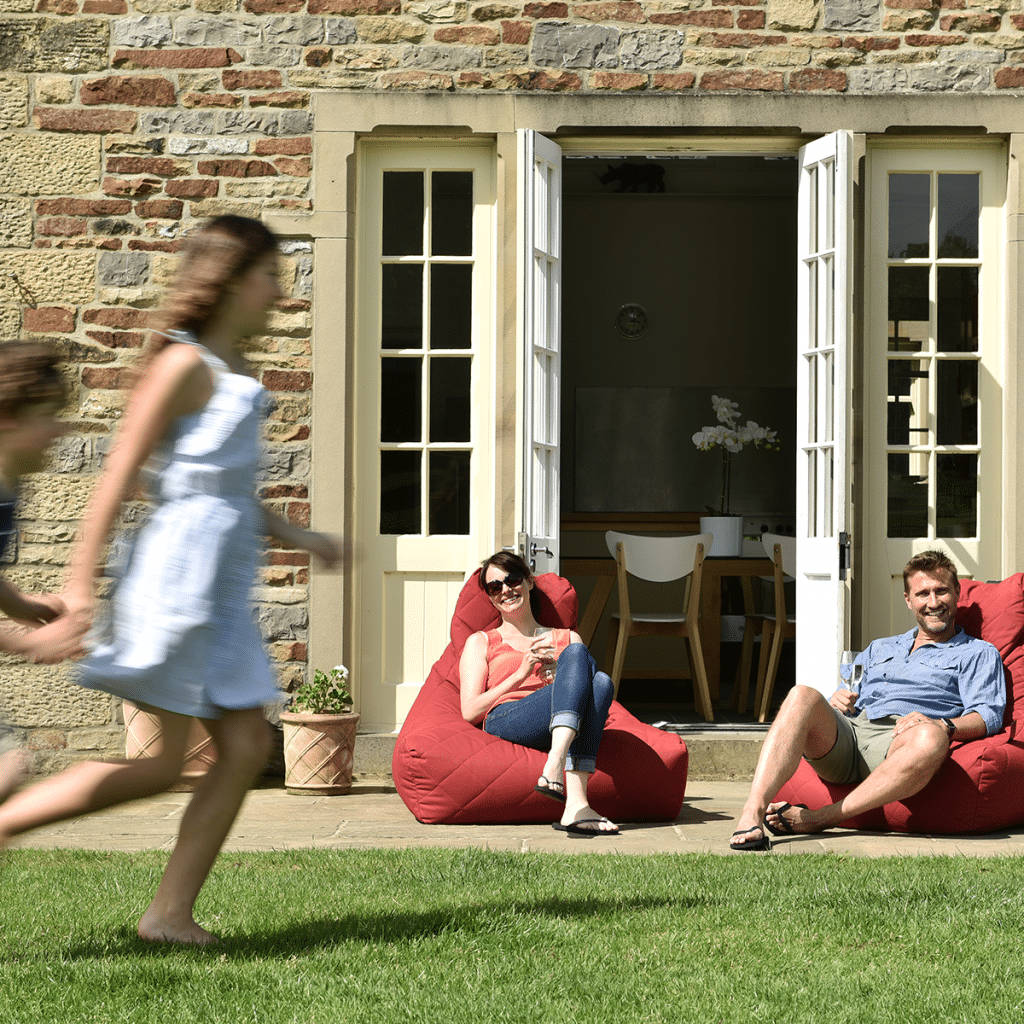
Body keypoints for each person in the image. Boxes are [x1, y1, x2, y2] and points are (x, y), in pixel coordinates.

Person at [0, 216, 342, 943]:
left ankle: (166, 912)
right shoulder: (182, 364)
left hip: (216, 587)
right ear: (233, 278)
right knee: (226, 749)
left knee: (205, 755)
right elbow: (119, 475)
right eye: (271, 275)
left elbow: (231, 493)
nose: (280, 292)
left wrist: (299, 535)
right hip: (178, 584)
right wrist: (80, 586)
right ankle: (159, 908)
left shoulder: (232, 372)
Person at [730, 550, 1005, 851]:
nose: (933, 602)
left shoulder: (977, 652)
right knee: (801, 695)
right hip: (850, 734)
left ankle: (822, 818)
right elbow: (849, 691)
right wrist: (837, 698)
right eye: (923, 593)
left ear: (957, 593)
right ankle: (751, 813)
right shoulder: (880, 647)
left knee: (931, 736)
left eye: (941, 591)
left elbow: (987, 715)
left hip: (901, 741)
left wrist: (943, 724)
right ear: (908, 599)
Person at [459, 551, 618, 835]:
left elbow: (594, 690)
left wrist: (567, 676)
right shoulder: (481, 641)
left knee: (600, 679)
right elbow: (470, 711)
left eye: (513, 579)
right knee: (591, 670)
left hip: (555, 722)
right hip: (508, 718)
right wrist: (520, 674)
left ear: (529, 582)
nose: (506, 590)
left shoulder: (566, 637)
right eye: (495, 587)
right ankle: (556, 765)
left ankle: (574, 804)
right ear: (490, 596)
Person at [0, 341, 89, 802]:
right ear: (10, 417)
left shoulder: (8, 485)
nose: (61, 430)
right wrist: (29, 641)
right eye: (49, 415)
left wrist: (23, 606)